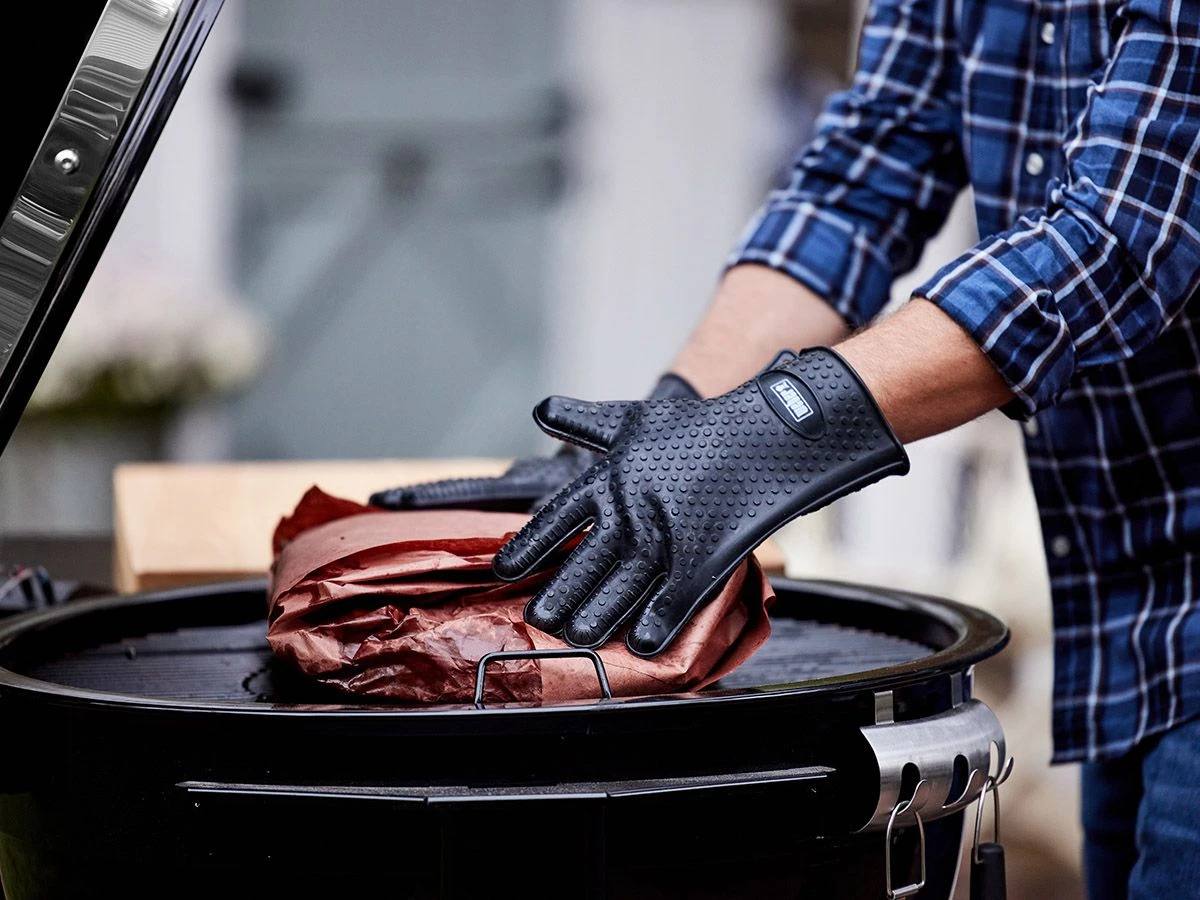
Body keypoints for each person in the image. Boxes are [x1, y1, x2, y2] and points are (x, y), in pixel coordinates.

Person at [373, 1, 1200, 896]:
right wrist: (671, 428)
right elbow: (859, 182)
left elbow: (1122, 233)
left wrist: (772, 430)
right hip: (1130, 604)